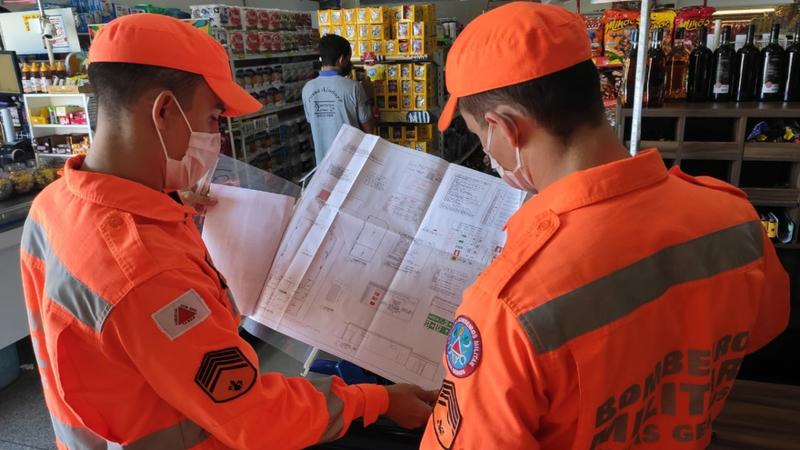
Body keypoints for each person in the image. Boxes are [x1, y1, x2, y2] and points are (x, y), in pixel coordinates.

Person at [19, 14, 434, 450]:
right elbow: (257, 417)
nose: (216, 136)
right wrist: (377, 401)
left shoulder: (53, 204)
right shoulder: (144, 269)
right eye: (214, 118)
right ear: (163, 111)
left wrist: (171, 206)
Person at [421, 3, 790, 449]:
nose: (488, 154)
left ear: (504, 129)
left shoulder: (508, 306)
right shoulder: (732, 215)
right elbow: (763, 329)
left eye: (482, 140)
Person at [302, 34, 375, 165]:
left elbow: (312, 120)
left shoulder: (307, 89)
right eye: (348, 59)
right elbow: (369, 131)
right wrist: (368, 96)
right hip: (351, 164)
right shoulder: (353, 87)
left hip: (323, 165)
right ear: (341, 59)